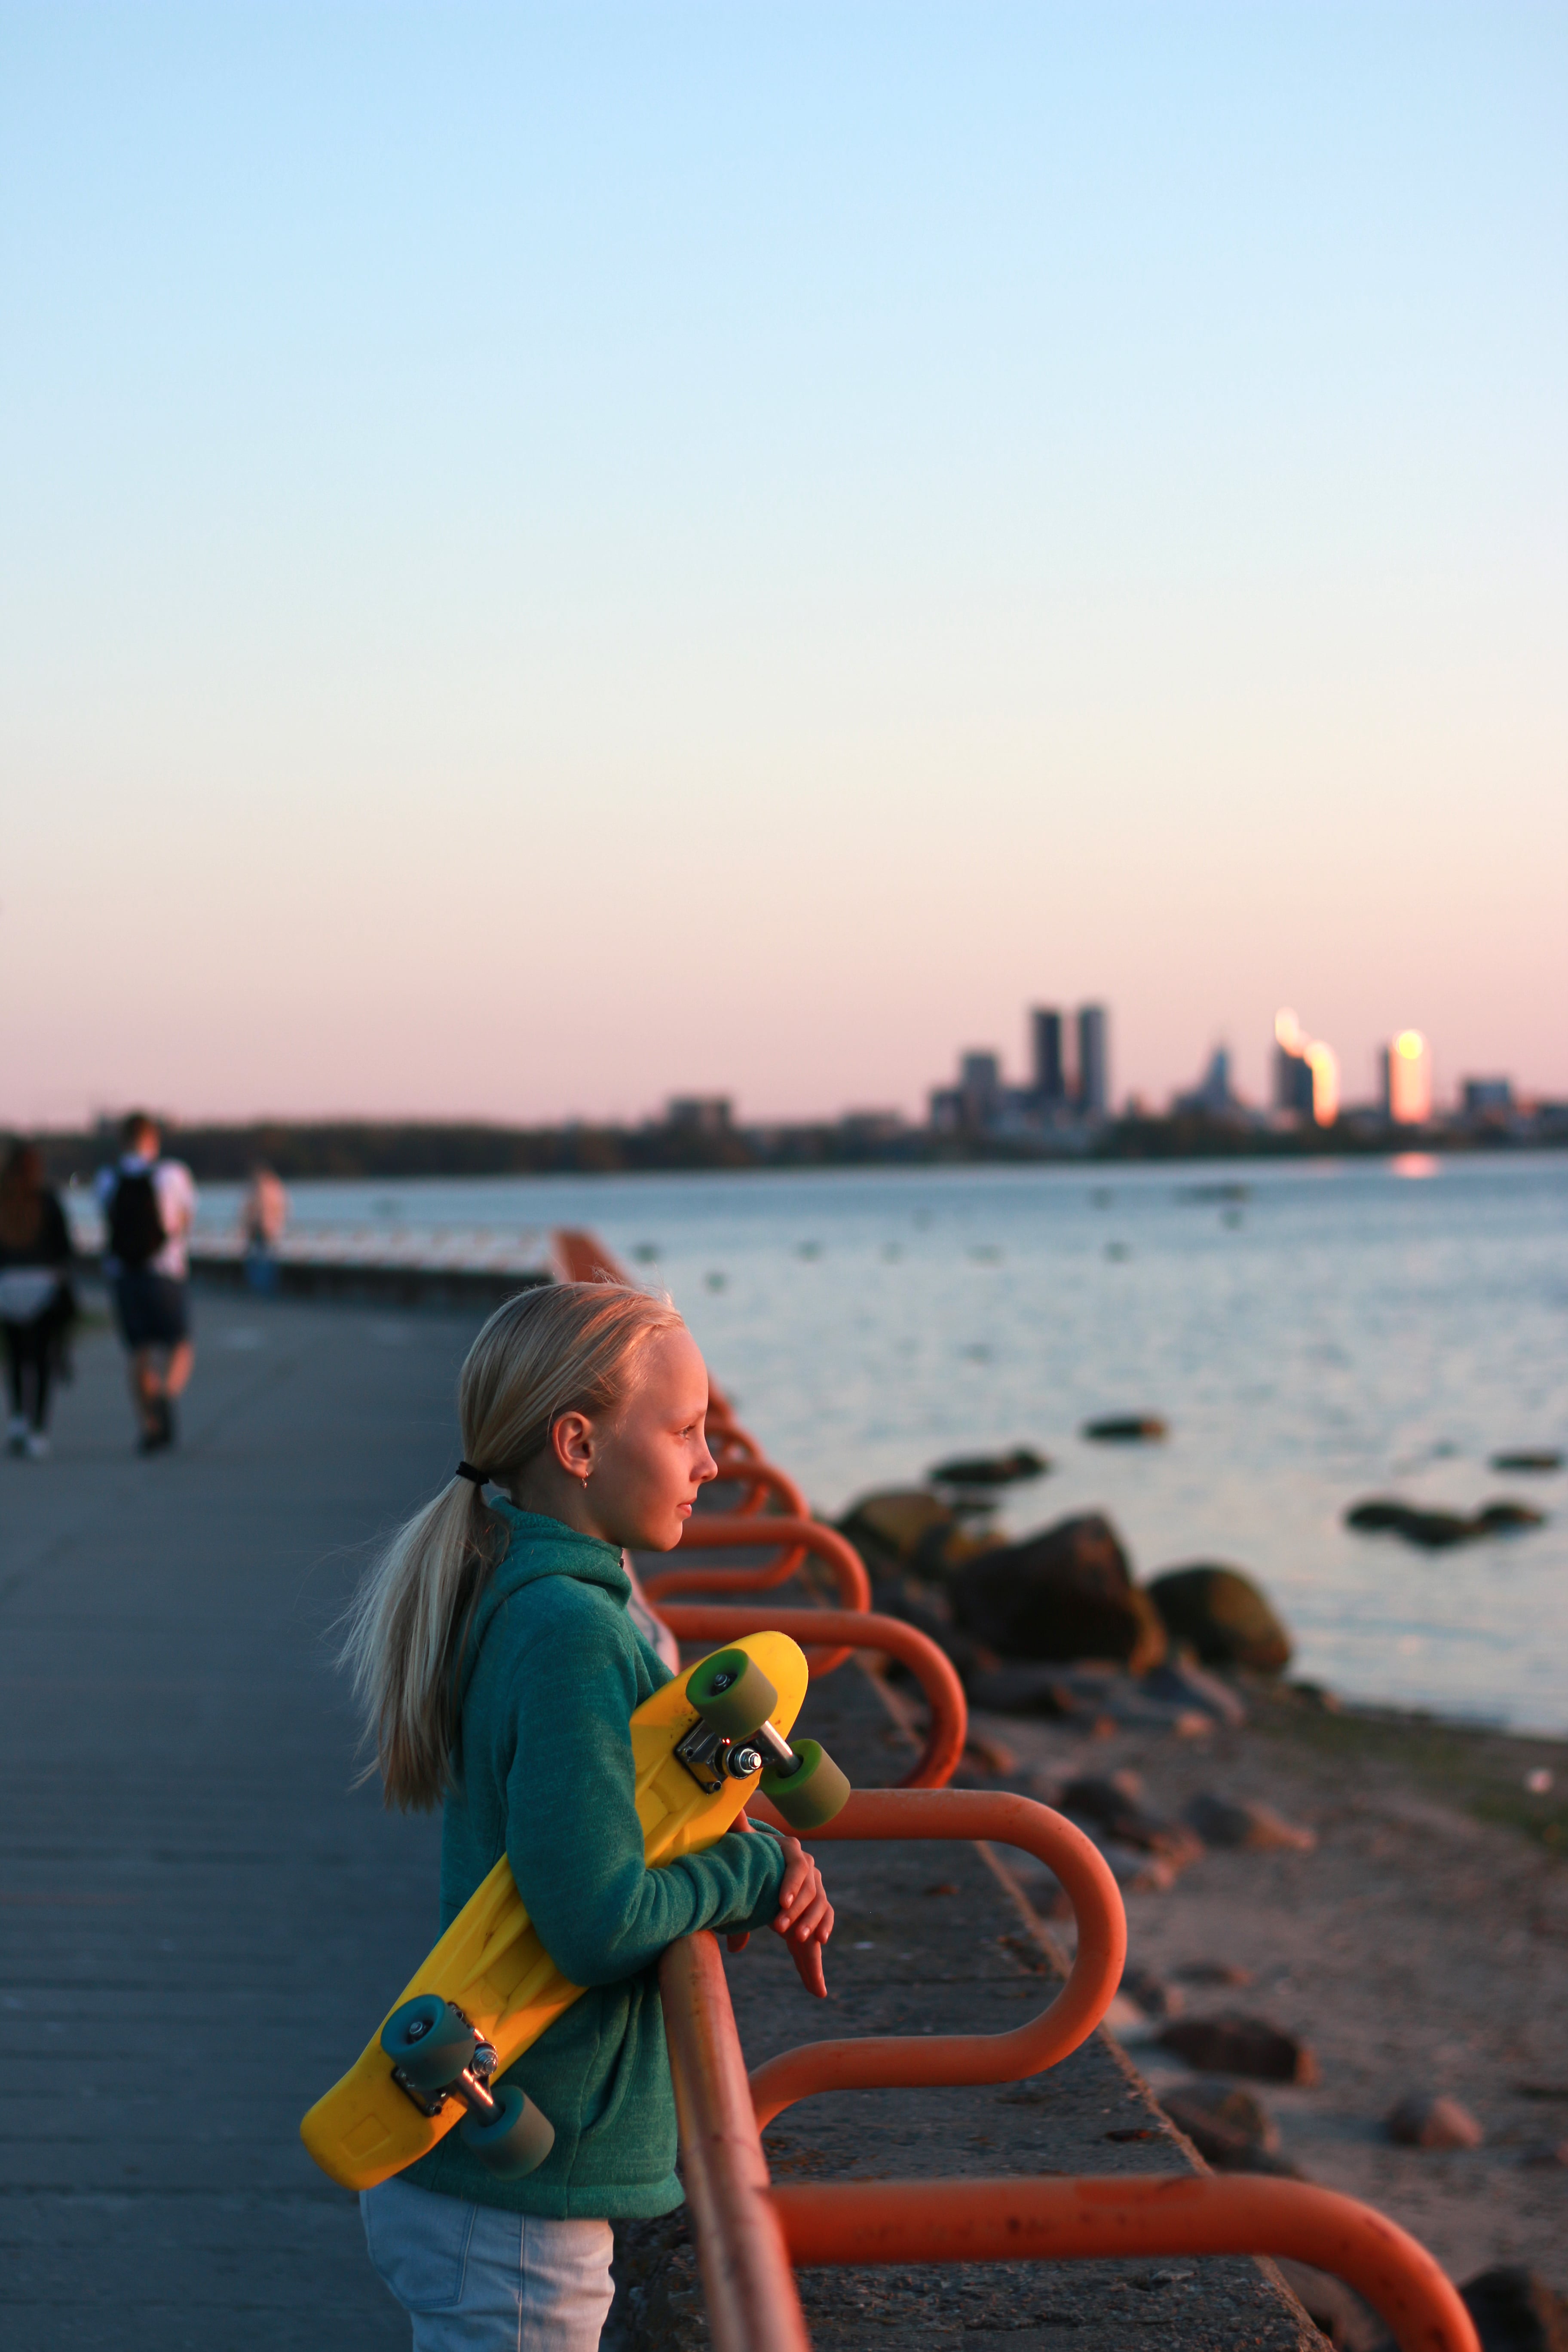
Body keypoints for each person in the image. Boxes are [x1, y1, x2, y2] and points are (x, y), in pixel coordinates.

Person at [339, 1282, 833, 2351]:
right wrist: (754, 1874)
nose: (711, 1461)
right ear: (575, 1441)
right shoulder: (567, 1630)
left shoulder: (534, 1587)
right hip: (514, 2212)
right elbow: (596, 1915)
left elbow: (597, 1835)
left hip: (501, 2175)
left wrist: (735, 1839)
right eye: (687, 1429)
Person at [96, 1112, 198, 1454]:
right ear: (152, 1139)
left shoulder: (107, 1179)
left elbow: (106, 1221)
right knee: (180, 1344)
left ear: (123, 1140)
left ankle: (149, 1427)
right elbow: (186, 1220)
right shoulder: (172, 1174)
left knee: (139, 1351)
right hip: (165, 1272)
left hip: (124, 1275)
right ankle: (166, 1396)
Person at [0, 1142, 76, 1460]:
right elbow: (65, 1247)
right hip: (43, 1285)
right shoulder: (48, 1200)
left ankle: (17, 1416)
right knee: (43, 1360)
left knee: (16, 1356)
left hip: (6, 1286)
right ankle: (39, 1430)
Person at [239, 1164, 289, 1296]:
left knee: (259, 1258)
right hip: (269, 1228)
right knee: (266, 1257)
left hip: (262, 1228)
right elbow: (283, 1208)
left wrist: (252, 1224)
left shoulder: (261, 1188)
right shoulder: (276, 1188)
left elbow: (254, 1210)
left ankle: (260, 1287)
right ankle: (265, 1287)